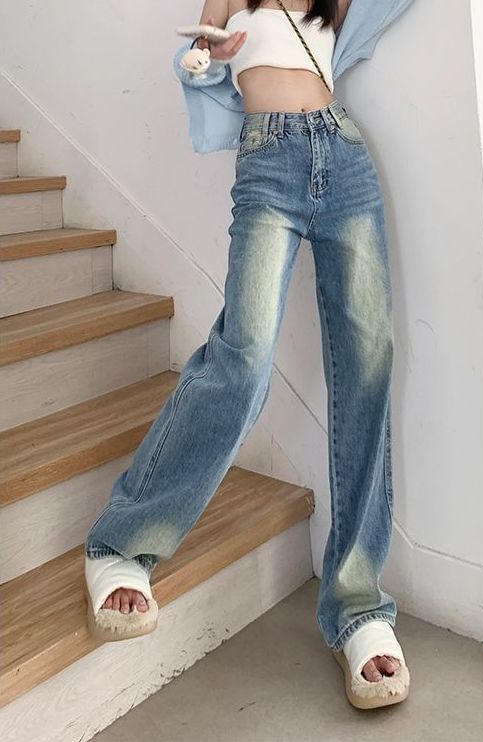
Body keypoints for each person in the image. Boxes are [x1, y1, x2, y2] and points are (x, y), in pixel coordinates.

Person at [84, 0, 415, 710]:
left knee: (368, 367)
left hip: (344, 153)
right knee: (243, 356)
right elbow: (202, 52)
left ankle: (358, 605)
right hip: (269, 162)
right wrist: (209, 55)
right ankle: (123, 541)